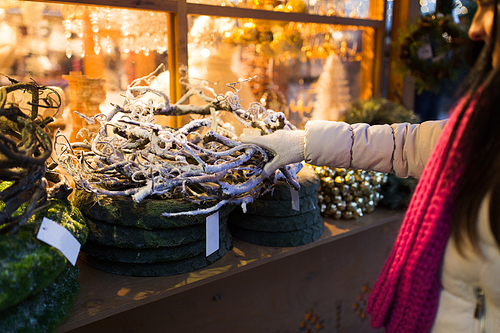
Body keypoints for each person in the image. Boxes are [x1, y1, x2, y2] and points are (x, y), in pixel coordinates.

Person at [241, 1, 500, 332]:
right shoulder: (482, 123)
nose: (476, 28)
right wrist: (304, 144)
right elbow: (407, 146)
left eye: (488, 7)